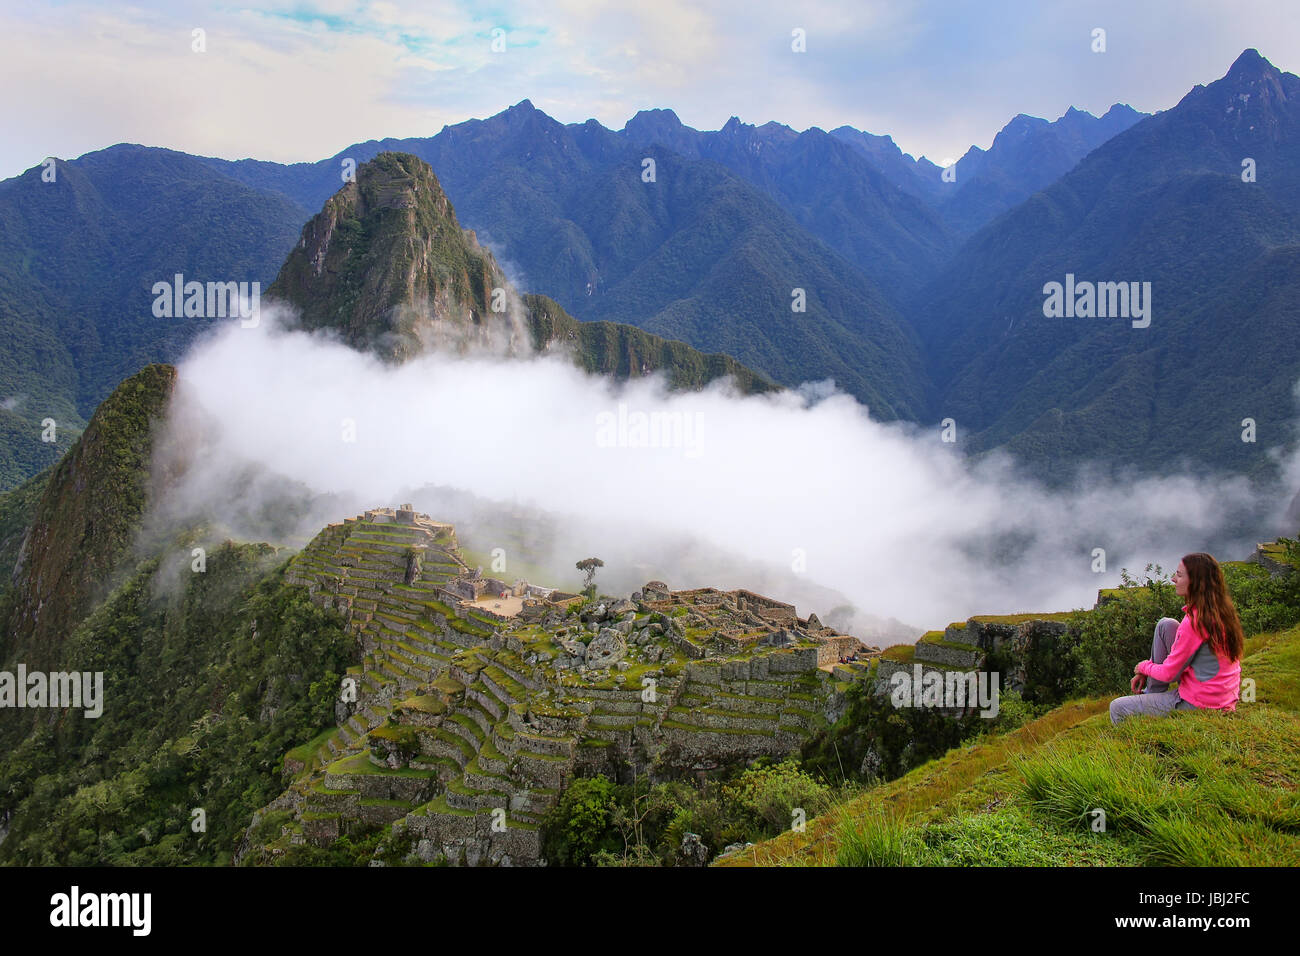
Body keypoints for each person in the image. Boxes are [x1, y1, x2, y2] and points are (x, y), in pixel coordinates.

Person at [1109, 553, 1244, 725]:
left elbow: (1169, 674)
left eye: (1179, 575)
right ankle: (1152, 695)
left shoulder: (1195, 622)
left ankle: (1136, 745)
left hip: (1199, 704)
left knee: (1118, 707)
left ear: (1195, 582)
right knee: (1166, 625)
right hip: (1219, 696)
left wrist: (1143, 667)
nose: (1173, 579)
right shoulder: (1220, 610)